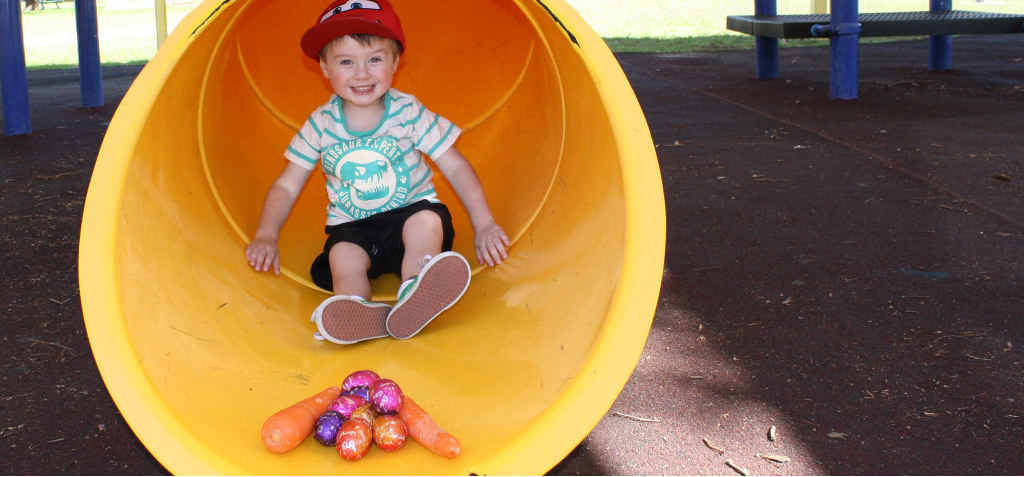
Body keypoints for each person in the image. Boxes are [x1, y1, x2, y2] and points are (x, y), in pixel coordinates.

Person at [245, 0, 509, 345]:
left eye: (375, 59)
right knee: (342, 256)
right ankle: (355, 309)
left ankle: (415, 291)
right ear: (324, 67)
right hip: (354, 228)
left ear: (396, 61)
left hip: (410, 214)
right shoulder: (320, 124)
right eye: (345, 62)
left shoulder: (408, 112)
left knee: (427, 222)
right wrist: (267, 235)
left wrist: (485, 224)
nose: (362, 73)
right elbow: (287, 185)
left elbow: (455, 166)